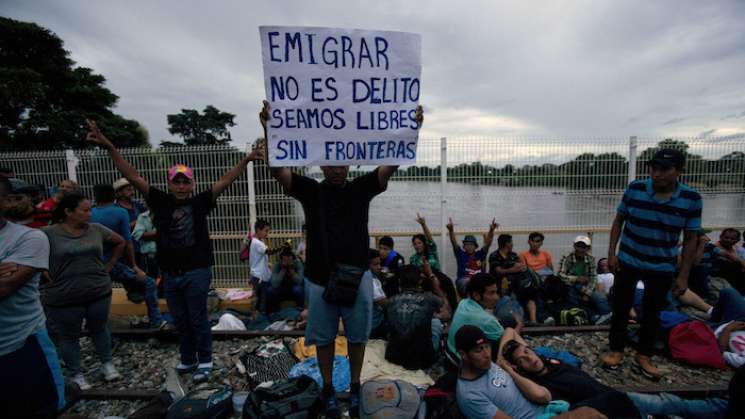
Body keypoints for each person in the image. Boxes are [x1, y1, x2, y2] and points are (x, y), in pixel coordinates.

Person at [261, 100, 424, 418]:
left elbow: (390, 164)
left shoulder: (362, 187)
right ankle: (326, 386)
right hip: (320, 278)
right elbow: (278, 171)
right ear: (321, 164)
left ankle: (353, 384)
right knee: (322, 338)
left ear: (350, 163)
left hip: (357, 277)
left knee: (357, 336)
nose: (336, 169)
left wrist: (412, 129)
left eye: (342, 163)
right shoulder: (310, 190)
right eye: (330, 164)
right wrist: (268, 128)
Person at [85, 119, 264, 383]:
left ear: (192, 184)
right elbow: (133, 175)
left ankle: (205, 359)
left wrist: (247, 159)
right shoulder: (160, 200)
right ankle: (188, 358)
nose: (181, 186)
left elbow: (226, 180)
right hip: (170, 272)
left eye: (185, 182)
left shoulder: (201, 201)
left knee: (198, 317)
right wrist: (110, 147)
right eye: (176, 182)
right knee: (179, 319)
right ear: (170, 184)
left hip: (197, 271)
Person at [602, 148, 702, 380]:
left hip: (662, 266)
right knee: (620, 306)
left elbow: (690, 239)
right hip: (628, 260)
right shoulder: (636, 189)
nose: (657, 174)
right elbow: (619, 221)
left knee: (653, 312)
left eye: (665, 169)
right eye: (654, 168)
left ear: (679, 171)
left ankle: (644, 354)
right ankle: (616, 348)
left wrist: (684, 276)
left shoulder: (691, 199)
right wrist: (611, 253)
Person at [502, 337, 728, 418]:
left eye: (527, 352)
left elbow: (511, 331)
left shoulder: (551, 361)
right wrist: (508, 369)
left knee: (669, 403)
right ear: (519, 367)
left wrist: (511, 350)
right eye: (522, 360)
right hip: (612, 405)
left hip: (614, 395)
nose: (528, 358)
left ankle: (717, 406)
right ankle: (721, 408)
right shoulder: (541, 382)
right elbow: (538, 395)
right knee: (669, 403)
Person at [41, 193, 126, 390]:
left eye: (90, 209)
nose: (90, 214)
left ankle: (107, 364)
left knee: (100, 328)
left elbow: (120, 241)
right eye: (85, 210)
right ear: (68, 212)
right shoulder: (48, 233)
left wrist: (110, 265)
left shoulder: (96, 230)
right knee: (69, 336)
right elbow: (32, 252)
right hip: (63, 296)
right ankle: (76, 374)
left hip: (97, 291)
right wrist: (43, 271)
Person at [0, 176, 65, 418]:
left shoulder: (28, 238)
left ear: (5, 201)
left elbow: (4, 289)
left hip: (20, 345)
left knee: (41, 410)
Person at [455, 325, 606, 419]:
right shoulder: (470, 395)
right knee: (591, 413)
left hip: (550, 405)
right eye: (478, 350)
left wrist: (500, 358)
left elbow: (509, 331)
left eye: (487, 347)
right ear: (463, 354)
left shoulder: (485, 363)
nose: (487, 354)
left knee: (608, 401)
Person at [91, 184, 164, 328]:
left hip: (95, 263)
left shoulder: (90, 213)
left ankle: (95, 324)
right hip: (115, 262)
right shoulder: (119, 213)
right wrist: (134, 266)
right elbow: (127, 242)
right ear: (114, 195)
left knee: (99, 294)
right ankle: (156, 321)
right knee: (149, 283)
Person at [385, 265, 446, 370]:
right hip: (422, 358)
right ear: (420, 281)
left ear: (399, 281)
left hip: (394, 356)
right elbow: (447, 312)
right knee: (435, 322)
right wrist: (432, 279)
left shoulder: (390, 301)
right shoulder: (429, 298)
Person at [448, 272, 504, 362]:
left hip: (451, 354)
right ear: (476, 296)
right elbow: (506, 340)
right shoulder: (486, 320)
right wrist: (519, 326)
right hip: (464, 364)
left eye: (496, 292)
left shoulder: (463, 303)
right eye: (491, 293)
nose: (496, 297)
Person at [489, 234, 542, 325]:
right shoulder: (494, 255)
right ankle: (517, 321)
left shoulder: (513, 255)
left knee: (530, 294)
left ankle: (533, 321)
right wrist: (512, 270)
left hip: (516, 283)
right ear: (507, 244)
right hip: (500, 284)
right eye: (511, 242)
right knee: (510, 295)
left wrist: (518, 268)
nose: (512, 244)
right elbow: (498, 271)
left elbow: (521, 266)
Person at [557, 236, 612, 324]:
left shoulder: (591, 259)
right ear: (574, 246)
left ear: (588, 248)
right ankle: (597, 317)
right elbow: (560, 275)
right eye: (578, 246)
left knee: (597, 297)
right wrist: (576, 278)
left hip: (585, 286)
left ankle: (607, 314)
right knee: (575, 298)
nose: (580, 249)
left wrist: (587, 293)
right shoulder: (567, 257)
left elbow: (593, 277)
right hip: (569, 285)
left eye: (583, 247)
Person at [448, 217, 498, 296]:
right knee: (469, 284)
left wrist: (491, 230)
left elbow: (488, 244)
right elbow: (453, 242)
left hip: (479, 280)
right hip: (464, 280)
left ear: (475, 246)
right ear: (464, 247)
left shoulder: (480, 254)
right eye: (467, 245)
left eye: (471, 244)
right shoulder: (460, 254)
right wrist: (451, 230)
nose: (469, 246)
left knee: (490, 282)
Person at [266, 248, 305, 314]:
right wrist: (283, 270)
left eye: (289, 259)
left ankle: (300, 310)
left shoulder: (297, 263)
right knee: (270, 290)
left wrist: (292, 271)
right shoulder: (277, 265)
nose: (287, 261)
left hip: (293, 288)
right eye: (285, 259)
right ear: (281, 259)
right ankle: (274, 311)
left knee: (298, 289)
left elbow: (300, 281)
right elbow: (274, 284)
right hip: (282, 289)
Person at [247, 219, 272, 312]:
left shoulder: (257, 241)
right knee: (261, 299)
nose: (267, 233)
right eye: (266, 231)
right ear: (258, 230)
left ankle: (256, 315)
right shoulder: (258, 243)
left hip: (257, 275)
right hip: (259, 276)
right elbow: (269, 252)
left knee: (258, 297)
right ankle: (259, 317)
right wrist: (283, 247)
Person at [713, 228, 745, 293]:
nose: (729, 240)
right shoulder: (714, 248)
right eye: (726, 237)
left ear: (737, 240)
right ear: (721, 237)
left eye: (732, 239)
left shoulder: (738, 249)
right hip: (721, 275)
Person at [132, 206, 159, 280]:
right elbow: (137, 235)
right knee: (149, 281)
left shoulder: (168, 215)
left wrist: (147, 235)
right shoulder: (143, 216)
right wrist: (159, 234)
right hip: (146, 258)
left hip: (163, 257)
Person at [368, 249, 389, 339]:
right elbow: (385, 304)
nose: (379, 267)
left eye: (379, 264)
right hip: (374, 326)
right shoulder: (372, 281)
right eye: (375, 264)